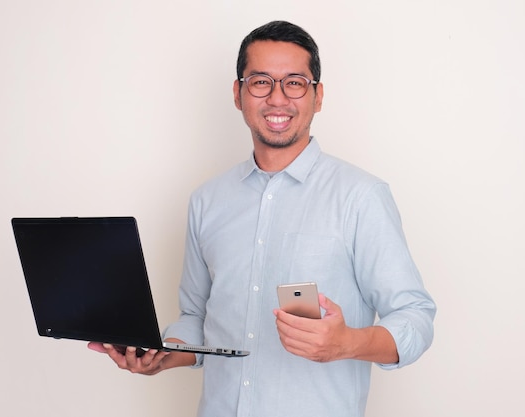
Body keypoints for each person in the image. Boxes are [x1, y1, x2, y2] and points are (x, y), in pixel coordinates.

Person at [89, 20, 436, 417]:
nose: (277, 98)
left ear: (317, 96)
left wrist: (347, 343)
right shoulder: (207, 200)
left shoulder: (361, 196)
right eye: (260, 82)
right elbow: (196, 318)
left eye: (294, 82)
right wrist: (163, 355)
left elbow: (416, 316)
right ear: (238, 93)